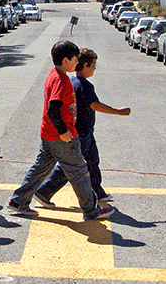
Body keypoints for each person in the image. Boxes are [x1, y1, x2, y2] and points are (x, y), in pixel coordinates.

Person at [7, 40, 115, 221]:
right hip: (60, 136)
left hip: (48, 134)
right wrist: (63, 130)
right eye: (74, 60)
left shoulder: (54, 74)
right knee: (79, 171)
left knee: (41, 168)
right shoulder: (62, 80)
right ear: (65, 60)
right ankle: (92, 209)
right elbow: (53, 107)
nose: (76, 63)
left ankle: (19, 201)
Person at [34, 48, 130, 206]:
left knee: (92, 161)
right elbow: (94, 105)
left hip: (85, 131)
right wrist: (118, 112)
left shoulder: (73, 81)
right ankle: (44, 191)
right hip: (80, 132)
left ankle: (97, 192)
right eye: (93, 65)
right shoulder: (84, 85)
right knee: (72, 167)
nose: (94, 69)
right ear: (85, 65)